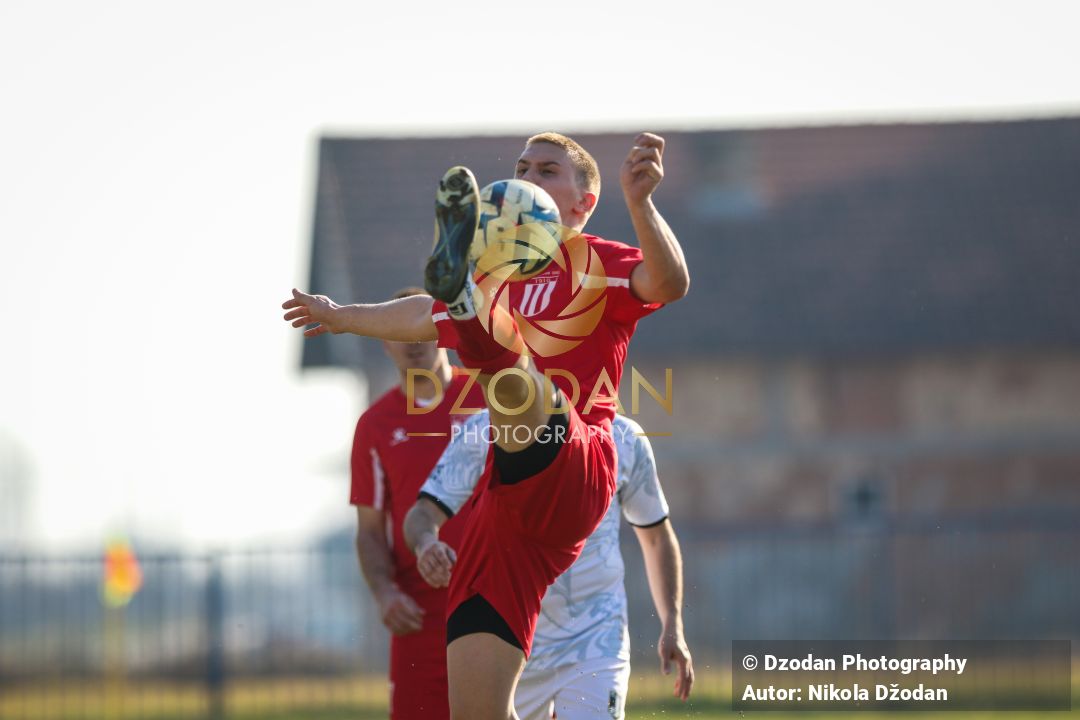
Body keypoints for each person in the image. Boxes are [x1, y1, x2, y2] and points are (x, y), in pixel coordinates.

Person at [284, 131, 689, 720]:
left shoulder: (597, 260)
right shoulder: (495, 274)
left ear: (583, 203)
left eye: (547, 171)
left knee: (511, 376)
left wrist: (642, 203)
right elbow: (422, 311)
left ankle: (468, 312)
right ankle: (465, 308)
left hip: (578, 461)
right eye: (521, 167)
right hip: (505, 511)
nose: (526, 176)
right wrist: (341, 315)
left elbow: (671, 283)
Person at [403, 410, 694, 719]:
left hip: (596, 637)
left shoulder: (623, 436)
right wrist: (426, 543)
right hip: (511, 639)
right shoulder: (485, 429)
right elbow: (422, 514)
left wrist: (672, 621)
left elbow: (656, 538)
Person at [349, 287, 484, 720]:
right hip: (419, 617)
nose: (412, 341)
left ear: (443, 330)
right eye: (397, 330)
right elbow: (369, 531)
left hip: (498, 599)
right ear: (383, 340)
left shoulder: (493, 396)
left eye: (421, 327)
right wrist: (385, 592)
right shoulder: (374, 425)